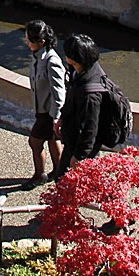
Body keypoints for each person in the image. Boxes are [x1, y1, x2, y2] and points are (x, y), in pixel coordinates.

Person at [55, 34, 107, 180]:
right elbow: (70, 97)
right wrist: (63, 118)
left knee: (64, 183)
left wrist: (78, 157)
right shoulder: (81, 71)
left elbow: (90, 129)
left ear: (73, 58)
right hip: (74, 138)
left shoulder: (90, 94)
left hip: (81, 147)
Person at [24, 20, 65, 188]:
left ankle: (39, 175)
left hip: (48, 113)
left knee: (35, 142)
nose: (27, 43)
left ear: (41, 42)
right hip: (42, 110)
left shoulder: (51, 61)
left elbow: (59, 92)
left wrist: (55, 118)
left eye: (29, 40)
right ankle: (60, 172)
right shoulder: (38, 57)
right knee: (52, 139)